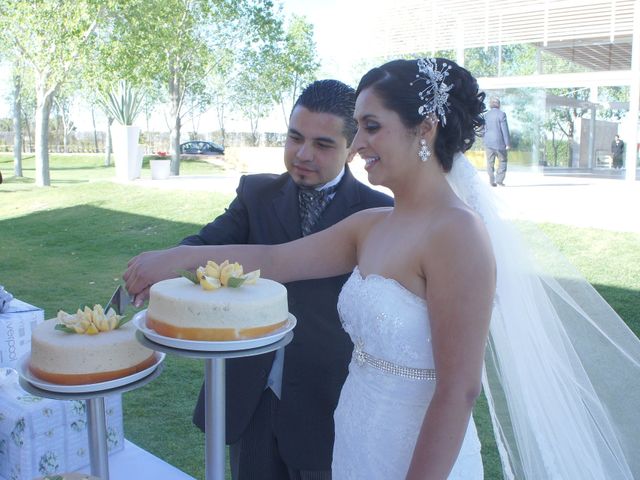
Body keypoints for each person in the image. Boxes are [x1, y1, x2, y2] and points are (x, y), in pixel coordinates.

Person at [125, 59, 640, 479]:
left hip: (416, 456)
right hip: (353, 440)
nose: (358, 145)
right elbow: (274, 261)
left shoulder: (457, 234)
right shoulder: (372, 225)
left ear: (425, 129)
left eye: (371, 127)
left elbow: (459, 390)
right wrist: (173, 259)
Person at [127, 79, 392, 480]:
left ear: (351, 148)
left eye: (322, 144)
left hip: (328, 403)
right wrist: (168, 262)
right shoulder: (256, 194)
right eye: (294, 137)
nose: (303, 154)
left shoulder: (378, 212)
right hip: (249, 395)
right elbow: (205, 244)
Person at [483, 96, 510, 186]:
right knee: (503, 161)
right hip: (500, 143)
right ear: (499, 105)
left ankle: (492, 181)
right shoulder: (502, 114)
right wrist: (507, 143)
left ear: (490, 105)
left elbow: (484, 129)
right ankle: (499, 180)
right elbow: (504, 130)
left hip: (488, 143)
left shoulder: (486, 115)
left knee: (490, 162)